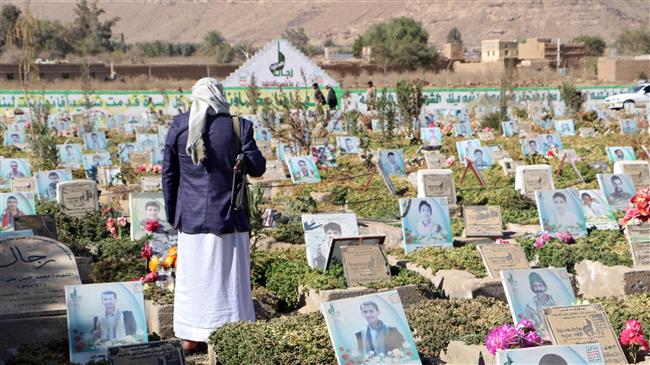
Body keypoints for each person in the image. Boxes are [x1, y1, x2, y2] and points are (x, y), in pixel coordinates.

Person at [162, 77, 265, 352]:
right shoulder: (237, 125)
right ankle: (232, 332)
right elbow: (257, 168)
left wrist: (174, 214)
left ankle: (192, 335)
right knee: (228, 279)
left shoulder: (180, 125)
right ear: (220, 96)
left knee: (194, 279)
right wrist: (243, 152)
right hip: (230, 216)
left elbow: (169, 175)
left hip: (192, 217)